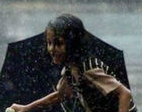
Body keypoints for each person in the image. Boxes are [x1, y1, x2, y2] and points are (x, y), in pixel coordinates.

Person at [8, 13, 137, 112]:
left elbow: (125, 93)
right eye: (49, 43)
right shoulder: (70, 70)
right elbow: (59, 95)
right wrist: (26, 108)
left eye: (58, 43)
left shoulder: (89, 70)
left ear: (73, 44)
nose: (52, 49)